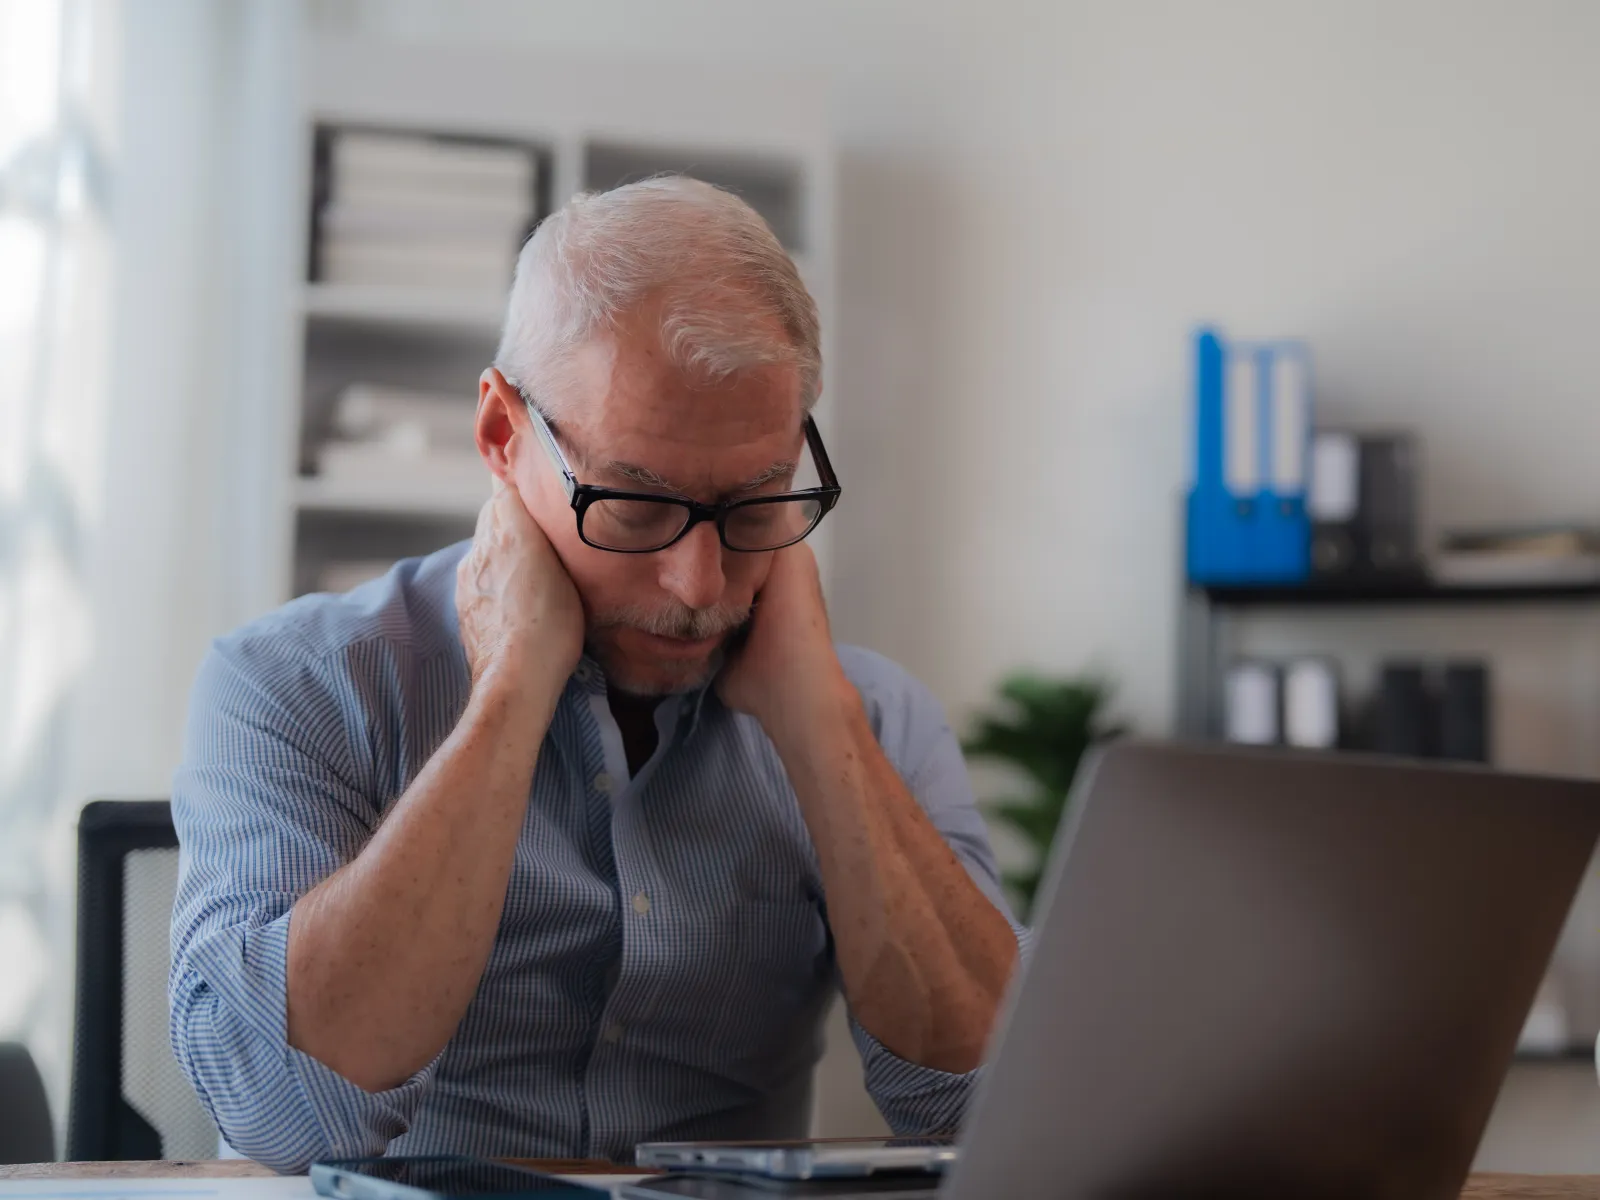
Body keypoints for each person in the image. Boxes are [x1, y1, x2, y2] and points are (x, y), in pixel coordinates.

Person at [169, 178, 1027, 1174]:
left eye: (755, 506)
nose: (698, 585)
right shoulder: (294, 685)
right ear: (501, 435)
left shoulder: (874, 716)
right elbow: (284, 1122)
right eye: (632, 506)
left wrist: (821, 725)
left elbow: (990, 1109)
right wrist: (506, 696)